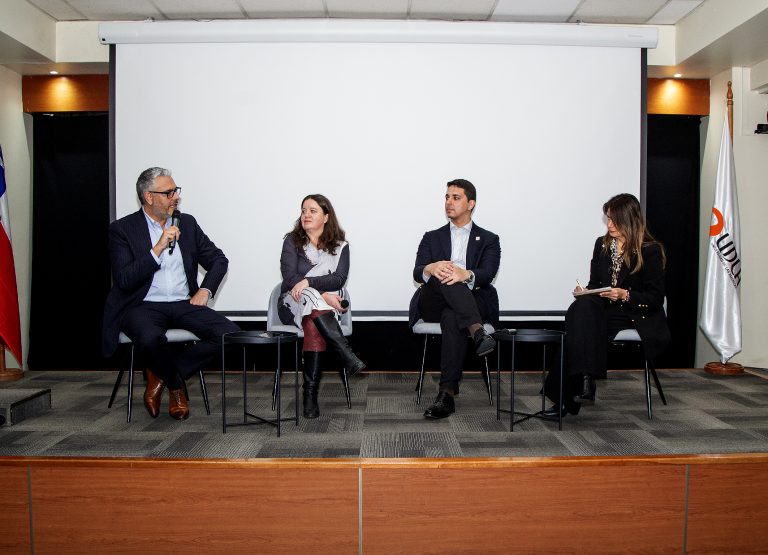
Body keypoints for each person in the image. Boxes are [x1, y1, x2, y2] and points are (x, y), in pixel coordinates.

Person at [102, 167, 240, 420]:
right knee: (149, 338)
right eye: (168, 193)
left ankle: (161, 377)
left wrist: (205, 290)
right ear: (149, 197)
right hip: (141, 305)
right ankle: (177, 387)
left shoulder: (186, 223)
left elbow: (219, 260)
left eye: (176, 191)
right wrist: (157, 249)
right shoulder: (122, 230)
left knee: (229, 335)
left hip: (182, 302)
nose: (175, 197)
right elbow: (124, 279)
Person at [544, 193, 671, 417]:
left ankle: (569, 397)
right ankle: (584, 381)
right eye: (608, 218)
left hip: (633, 312)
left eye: (614, 219)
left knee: (579, 326)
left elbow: (655, 298)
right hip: (604, 309)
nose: (609, 224)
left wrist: (625, 294)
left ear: (630, 219)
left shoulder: (650, 250)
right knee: (581, 307)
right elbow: (595, 284)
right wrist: (586, 291)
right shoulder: (602, 245)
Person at [410, 179, 501, 420]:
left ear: (471, 204)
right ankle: (477, 331)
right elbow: (417, 271)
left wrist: (466, 274)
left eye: (456, 197)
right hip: (433, 301)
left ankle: (446, 394)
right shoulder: (432, 237)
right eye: (447, 197)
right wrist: (432, 267)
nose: (449, 202)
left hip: (471, 300)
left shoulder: (489, 239)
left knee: (452, 316)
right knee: (444, 272)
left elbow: (487, 273)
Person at [279, 194, 365, 419]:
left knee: (313, 320)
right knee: (309, 299)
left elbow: (339, 279)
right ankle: (345, 353)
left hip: (320, 310)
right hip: (293, 303)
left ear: (326, 217)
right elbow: (290, 278)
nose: (306, 215)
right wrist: (322, 294)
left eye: (312, 211)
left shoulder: (340, 246)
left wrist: (310, 283)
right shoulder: (292, 241)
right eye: (304, 210)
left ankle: (309, 394)